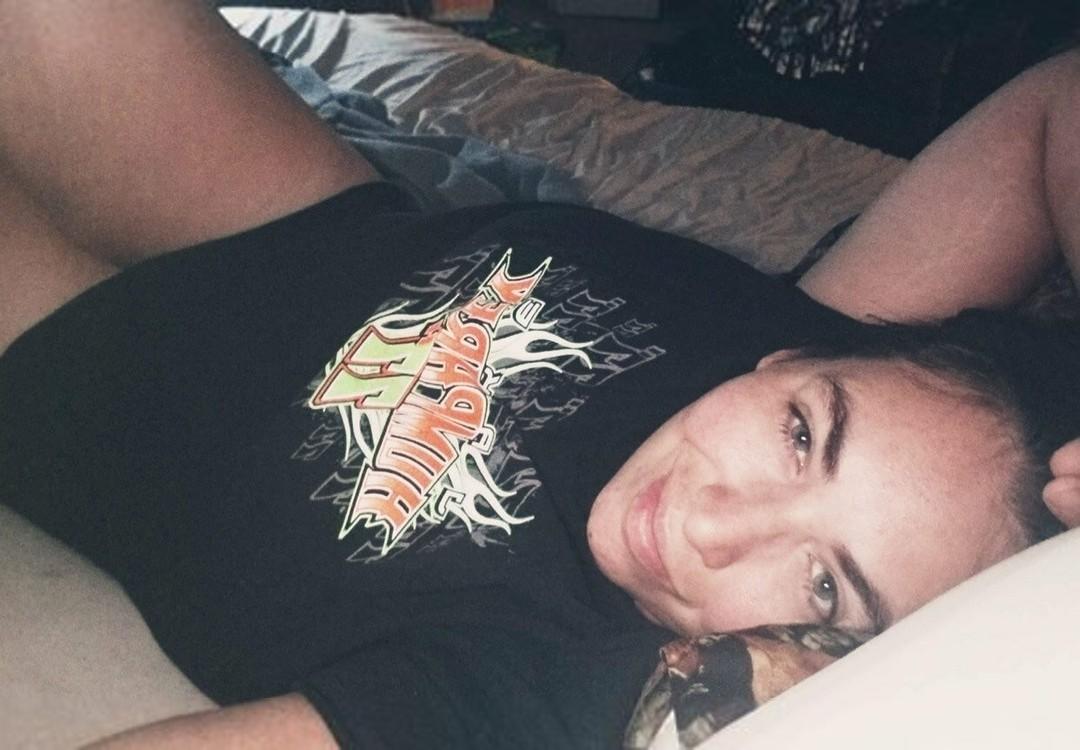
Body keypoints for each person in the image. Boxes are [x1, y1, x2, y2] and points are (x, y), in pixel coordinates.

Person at [0, 1, 1078, 748]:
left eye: (824, 586)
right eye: (802, 435)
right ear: (791, 359)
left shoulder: (556, 687)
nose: (717, 521)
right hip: (279, 207)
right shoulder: (828, 329)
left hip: (78, 357)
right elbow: (1058, 107)